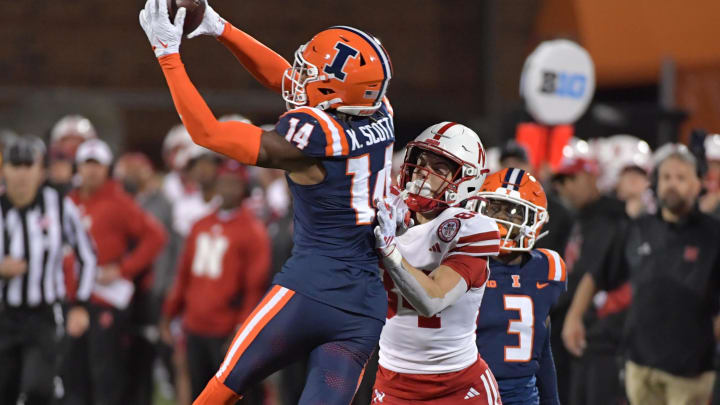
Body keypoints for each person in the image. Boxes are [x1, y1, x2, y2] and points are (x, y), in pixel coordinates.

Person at [139, 0, 395, 403]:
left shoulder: (310, 141)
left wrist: (167, 56)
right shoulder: (379, 110)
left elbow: (208, 133)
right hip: (364, 307)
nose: (298, 78)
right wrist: (219, 26)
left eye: (311, 74)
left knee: (219, 392)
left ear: (331, 91)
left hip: (309, 292)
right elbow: (289, 81)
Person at [564, 149, 720, 405]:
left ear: (697, 185)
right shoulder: (638, 228)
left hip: (692, 369)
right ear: (656, 183)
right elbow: (598, 274)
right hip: (640, 362)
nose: (672, 184)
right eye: (667, 177)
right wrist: (574, 316)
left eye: (681, 178)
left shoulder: (713, 233)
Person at [371, 122, 502, 404]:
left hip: (457, 386)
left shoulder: (469, 228)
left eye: (439, 169)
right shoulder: (385, 215)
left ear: (466, 180)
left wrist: (390, 250)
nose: (421, 173)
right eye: (420, 163)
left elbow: (433, 300)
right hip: (393, 382)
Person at [62, 138, 167, 405]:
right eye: (87, 164)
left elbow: (155, 236)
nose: (92, 171)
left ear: (107, 168)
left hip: (104, 299)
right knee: (72, 373)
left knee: (104, 373)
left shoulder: (118, 201)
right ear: (78, 167)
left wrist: (123, 269)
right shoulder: (68, 201)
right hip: (71, 298)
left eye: (98, 165)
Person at [161, 159, 271, 403]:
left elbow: (255, 286)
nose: (228, 188)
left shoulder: (252, 231)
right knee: (198, 393)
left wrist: (241, 327)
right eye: (224, 182)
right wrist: (169, 313)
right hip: (195, 326)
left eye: (234, 183)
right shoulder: (201, 224)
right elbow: (184, 275)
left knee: (235, 395)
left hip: (226, 328)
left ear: (243, 189)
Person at [0, 136, 96, 405]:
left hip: (43, 315)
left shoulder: (58, 206)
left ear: (41, 171)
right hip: (3, 315)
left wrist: (81, 304)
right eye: (15, 165)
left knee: (38, 390)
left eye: (28, 165)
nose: (21, 173)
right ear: (4, 170)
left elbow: (87, 254)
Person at [474, 168, 565, 405]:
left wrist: (551, 400)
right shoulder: (466, 264)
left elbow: (542, 349)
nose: (501, 218)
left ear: (534, 220)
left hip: (522, 395)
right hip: (469, 390)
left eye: (513, 212)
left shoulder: (548, 269)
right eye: (494, 208)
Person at [552, 156, 629, 405]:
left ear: (591, 176)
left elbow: (591, 273)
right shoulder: (581, 216)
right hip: (571, 323)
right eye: (561, 182)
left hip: (594, 329)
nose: (566, 188)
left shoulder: (608, 217)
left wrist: (566, 311)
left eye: (571, 179)